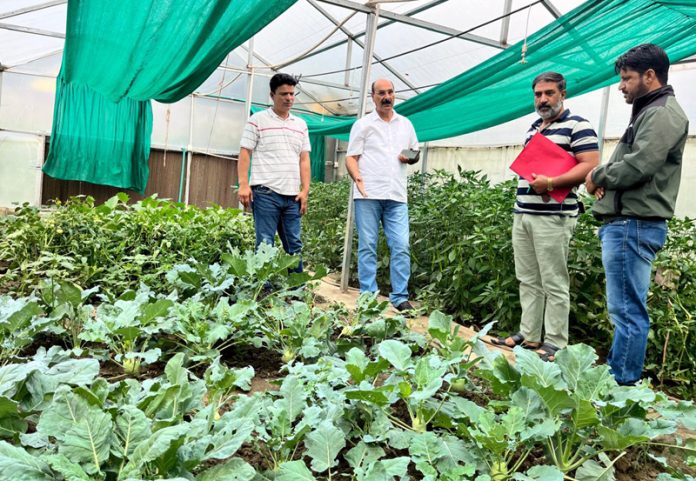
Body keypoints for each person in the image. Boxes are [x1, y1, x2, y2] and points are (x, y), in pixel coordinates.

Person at [586, 44, 688, 385]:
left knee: (628, 311)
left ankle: (621, 385)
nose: (621, 86)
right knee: (625, 309)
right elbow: (630, 166)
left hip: (634, 224)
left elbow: (640, 166)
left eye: (627, 78)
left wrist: (599, 176)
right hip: (629, 223)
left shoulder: (661, 113)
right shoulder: (649, 110)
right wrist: (609, 179)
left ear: (649, 75)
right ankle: (618, 378)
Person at [492, 72, 599, 361]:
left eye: (549, 93)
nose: (543, 99)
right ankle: (529, 335)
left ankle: (555, 343)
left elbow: (590, 166)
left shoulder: (579, 125)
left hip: (554, 215)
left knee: (553, 280)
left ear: (563, 93)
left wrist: (551, 184)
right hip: (524, 212)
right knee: (527, 278)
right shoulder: (534, 128)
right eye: (538, 94)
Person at [345, 78, 419, 312]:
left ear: (394, 94)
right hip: (368, 194)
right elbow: (350, 157)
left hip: (396, 195)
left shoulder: (405, 124)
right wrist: (356, 176)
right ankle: (368, 296)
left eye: (390, 92)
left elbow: (416, 152)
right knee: (367, 245)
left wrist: (411, 157)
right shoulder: (363, 124)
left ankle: (399, 297)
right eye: (381, 93)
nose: (386, 97)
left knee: (401, 245)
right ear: (373, 96)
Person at [238, 73, 311, 273]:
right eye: (283, 94)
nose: (289, 98)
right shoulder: (257, 120)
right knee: (265, 244)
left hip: (292, 196)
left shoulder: (300, 124)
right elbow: (245, 152)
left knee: (294, 244)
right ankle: (264, 291)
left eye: (292, 94)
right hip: (265, 193)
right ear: (272, 95)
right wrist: (244, 184)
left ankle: (296, 291)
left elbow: (304, 159)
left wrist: (305, 190)